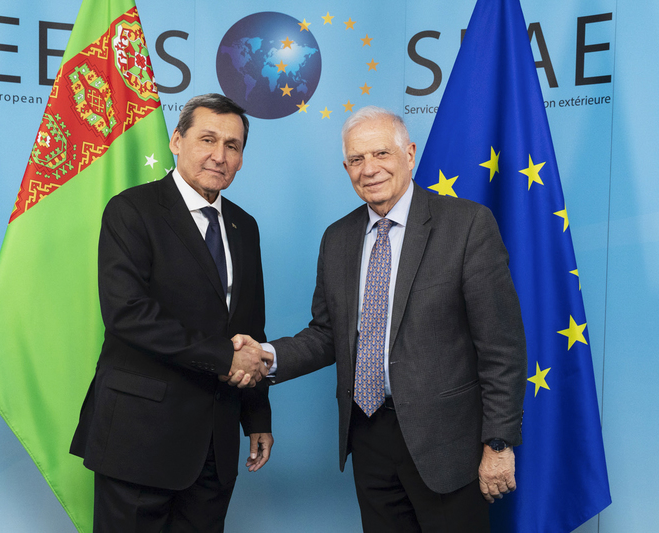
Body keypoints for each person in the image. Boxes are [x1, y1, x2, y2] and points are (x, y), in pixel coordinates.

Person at [233, 106, 526, 531]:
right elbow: (326, 334)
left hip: (447, 444)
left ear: (409, 154)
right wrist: (264, 356)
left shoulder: (465, 226)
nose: (369, 169)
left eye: (381, 154)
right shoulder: (338, 238)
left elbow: (501, 346)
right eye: (356, 159)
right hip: (368, 435)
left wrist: (498, 443)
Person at [71, 93, 273, 533]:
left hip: (214, 445)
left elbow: (248, 329)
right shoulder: (131, 210)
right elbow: (128, 314)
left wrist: (256, 416)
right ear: (176, 141)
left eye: (233, 146)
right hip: (139, 439)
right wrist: (225, 359)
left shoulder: (244, 226)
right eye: (207, 140)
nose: (219, 156)